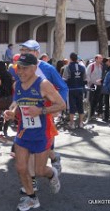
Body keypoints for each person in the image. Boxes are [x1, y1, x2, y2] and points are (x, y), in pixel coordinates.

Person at [4, 53, 66, 211]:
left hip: (41, 134)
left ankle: (52, 174)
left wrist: (41, 110)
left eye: (25, 68)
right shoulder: (17, 85)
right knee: (20, 168)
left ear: (34, 68)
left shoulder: (43, 84)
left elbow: (61, 105)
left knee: (39, 171)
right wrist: (11, 113)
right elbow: (17, 104)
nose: (20, 72)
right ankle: (32, 198)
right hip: (23, 132)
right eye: (19, 68)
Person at [15, 40, 68, 193]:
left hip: (45, 114)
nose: (24, 53)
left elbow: (63, 87)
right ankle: (32, 184)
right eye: (23, 50)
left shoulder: (47, 68)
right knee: (28, 151)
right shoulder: (19, 67)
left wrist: (55, 109)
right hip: (27, 116)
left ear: (37, 53)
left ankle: (52, 159)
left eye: (28, 51)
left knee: (38, 150)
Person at [62, 52, 87, 129]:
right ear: (77, 58)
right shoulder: (83, 67)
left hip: (71, 89)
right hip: (80, 89)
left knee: (71, 106)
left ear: (70, 58)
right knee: (80, 106)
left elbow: (64, 79)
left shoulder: (68, 67)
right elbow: (85, 79)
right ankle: (80, 123)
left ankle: (72, 124)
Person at [0, 61, 13, 136]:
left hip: (2, 97)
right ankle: (5, 129)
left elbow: (1, 86)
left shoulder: (0, 75)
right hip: (9, 97)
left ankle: (0, 126)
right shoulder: (9, 74)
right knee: (8, 114)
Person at [86, 54, 103, 119]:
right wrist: (90, 83)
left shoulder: (101, 66)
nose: (101, 59)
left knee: (96, 100)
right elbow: (87, 75)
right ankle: (88, 114)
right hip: (92, 85)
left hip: (99, 85)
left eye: (101, 58)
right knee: (90, 100)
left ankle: (92, 113)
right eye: (100, 58)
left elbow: (101, 75)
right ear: (96, 59)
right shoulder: (91, 66)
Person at [102, 57, 110, 122]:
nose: (107, 63)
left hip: (109, 89)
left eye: (108, 61)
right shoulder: (109, 68)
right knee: (106, 103)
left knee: (109, 103)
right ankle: (107, 116)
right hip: (107, 88)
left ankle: (108, 117)